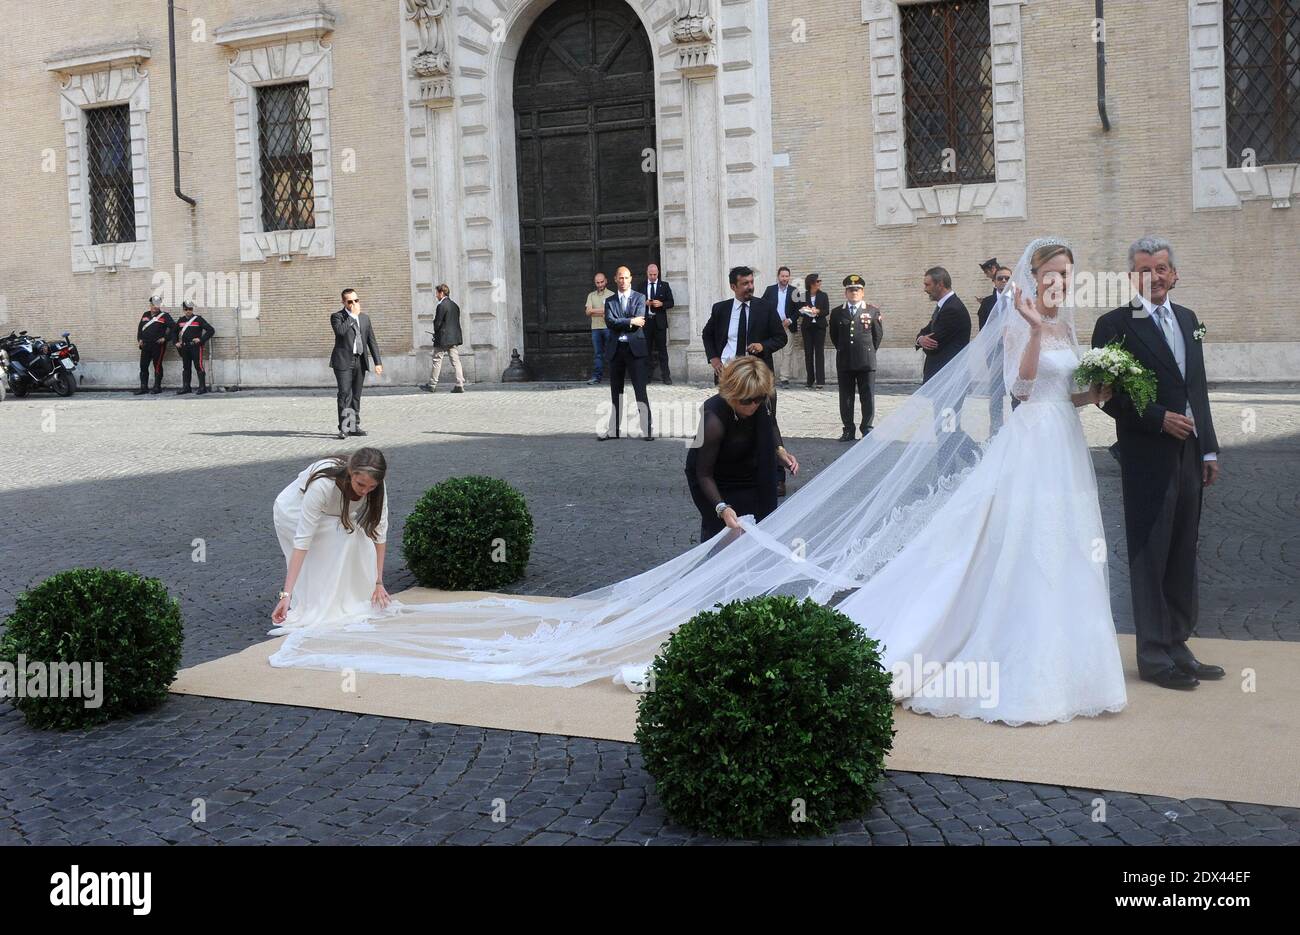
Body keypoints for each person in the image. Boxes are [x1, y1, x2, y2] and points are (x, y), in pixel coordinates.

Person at [268, 238, 1130, 728]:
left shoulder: (762, 411)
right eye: (1045, 279)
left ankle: (1052, 654)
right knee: (738, 557)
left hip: (1052, 446)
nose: (1053, 288)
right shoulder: (718, 417)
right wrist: (721, 510)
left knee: (1044, 546)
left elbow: (1066, 387)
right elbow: (1016, 383)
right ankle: (721, 627)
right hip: (750, 500)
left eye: (1060, 281)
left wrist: (1099, 380)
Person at [1092, 236, 1222, 691]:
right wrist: (1155, 418)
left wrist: (1208, 448)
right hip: (1146, 456)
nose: (1155, 277)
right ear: (1133, 276)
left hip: (1190, 455)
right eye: (1145, 270)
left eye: (1162, 268)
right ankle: (1151, 654)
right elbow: (1106, 398)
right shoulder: (1113, 325)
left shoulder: (1189, 320)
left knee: (1184, 550)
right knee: (1150, 552)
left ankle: (1178, 645)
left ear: (1174, 273)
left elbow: (1197, 389)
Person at [270, 448, 391, 634]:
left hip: (335, 514)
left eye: (371, 487)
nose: (366, 491)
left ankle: (345, 599)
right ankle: (322, 601)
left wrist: (378, 582)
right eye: (361, 484)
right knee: (342, 537)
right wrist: (286, 595)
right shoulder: (322, 486)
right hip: (293, 512)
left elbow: (379, 533)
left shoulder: (377, 486)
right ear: (351, 473)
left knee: (359, 541)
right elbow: (302, 541)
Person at [685, 356, 799, 541]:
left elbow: (770, 424)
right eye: (747, 401)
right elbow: (703, 474)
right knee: (725, 543)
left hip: (753, 476)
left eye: (759, 399)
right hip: (719, 484)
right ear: (732, 393)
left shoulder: (762, 399)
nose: (754, 405)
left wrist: (779, 450)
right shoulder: (713, 421)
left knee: (760, 539)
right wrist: (721, 507)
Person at [828, 274, 883, 441]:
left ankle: (867, 428)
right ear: (846, 293)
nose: (854, 293)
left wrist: (868, 351)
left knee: (867, 397)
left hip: (866, 361)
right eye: (851, 290)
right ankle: (848, 429)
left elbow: (877, 336)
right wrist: (844, 349)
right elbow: (834, 336)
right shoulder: (837, 312)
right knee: (846, 397)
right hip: (845, 360)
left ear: (863, 292)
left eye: (857, 290)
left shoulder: (872, 311)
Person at [600, 266, 652, 440]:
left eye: (626, 278)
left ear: (631, 279)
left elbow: (640, 322)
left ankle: (647, 430)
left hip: (635, 351)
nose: (623, 281)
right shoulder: (610, 301)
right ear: (615, 279)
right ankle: (613, 431)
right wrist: (630, 320)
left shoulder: (640, 297)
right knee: (616, 392)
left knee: (640, 391)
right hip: (616, 350)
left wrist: (622, 321)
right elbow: (610, 322)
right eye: (620, 278)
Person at [329, 288, 383, 440]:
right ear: (344, 302)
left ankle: (353, 426)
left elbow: (371, 341)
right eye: (350, 301)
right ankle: (344, 428)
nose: (354, 304)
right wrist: (352, 315)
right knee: (345, 394)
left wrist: (377, 362)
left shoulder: (365, 318)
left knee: (356, 396)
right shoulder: (337, 317)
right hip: (343, 361)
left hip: (360, 360)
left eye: (356, 300)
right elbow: (340, 332)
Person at [914, 267, 971, 383]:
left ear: (939, 284)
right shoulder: (945, 306)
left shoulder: (952, 309)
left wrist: (924, 341)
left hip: (949, 377)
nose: (925, 289)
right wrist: (920, 339)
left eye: (927, 285)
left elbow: (934, 344)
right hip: (944, 377)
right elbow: (926, 330)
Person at [977, 265, 1014, 432]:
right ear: (994, 282)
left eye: (1007, 278)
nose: (1004, 281)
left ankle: (1017, 430)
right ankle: (995, 431)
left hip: (1015, 355)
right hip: (994, 355)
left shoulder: (1020, 300)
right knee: (996, 397)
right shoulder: (987, 303)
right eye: (1000, 278)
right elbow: (983, 331)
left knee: (1017, 394)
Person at [761, 266, 800, 387]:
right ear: (778, 276)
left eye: (787, 276)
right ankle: (768, 376)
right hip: (772, 326)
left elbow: (799, 309)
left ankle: (784, 378)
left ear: (789, 277)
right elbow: (762, 305)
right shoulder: (770, 289)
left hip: (787, 325)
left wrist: (790, 320)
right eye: (782, 276)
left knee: (787, 352)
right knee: (767, 350)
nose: (785, 278)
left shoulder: (795, 291)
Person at [422, 283, 465, 393]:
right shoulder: (455, 305)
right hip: (453, 338)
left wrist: (436, 332)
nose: (436, 295)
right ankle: (460, 384)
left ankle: (432, 384)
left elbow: (438, 323)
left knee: (437, 360)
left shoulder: (441, 306)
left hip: (442, 338)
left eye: (437, 293)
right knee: (456, 361)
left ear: (442, 293)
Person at [637, 264, 675, 384]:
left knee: (662, 351)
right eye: (650, 274)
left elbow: (671, 302)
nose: (653, 277)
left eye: (655, 274)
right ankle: (647, 376)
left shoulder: (664, 285)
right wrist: (644, 303)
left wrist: (661, 304)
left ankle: (666, 376)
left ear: (658, 273)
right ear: (647, 273)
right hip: (646, 322)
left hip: (659, 323)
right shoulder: (641, 285)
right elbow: (635, 302)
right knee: (646, 351)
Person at [794, 272, 830, 388]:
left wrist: (817, 311)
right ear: (811, 283)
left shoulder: (823, 295)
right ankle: (810, 380)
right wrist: (805, 309)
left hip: (819, 327)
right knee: (808, 353)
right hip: (807, 327)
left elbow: (826, 311)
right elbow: (799, 310)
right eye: (817, 281)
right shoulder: (804, 295)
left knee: (819, 353)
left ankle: (820, 381)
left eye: (820, 281)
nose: (819, 283)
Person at [173, 301, 215, 395]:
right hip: (185, 347)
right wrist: (175, 342)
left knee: (198, 366)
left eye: (190, 309)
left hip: (196, 347)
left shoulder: (198, 319)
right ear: (183, 310)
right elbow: (174, 332)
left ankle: (202, 387)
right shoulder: (180, 320)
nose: (188, 311)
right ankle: (186, 387)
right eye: (186, 309)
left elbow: (211, 330)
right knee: (186, 367)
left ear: (192, 309)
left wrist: (201, 339)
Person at [135, 295, 174, 395]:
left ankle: (157, 387)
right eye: (153, 304)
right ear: (150, 305)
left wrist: (165, 338)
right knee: (143, 366)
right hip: (145, 345)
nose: (155, 307)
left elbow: (175, 328)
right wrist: (139, 339)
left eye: (157, 305)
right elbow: (140, 329)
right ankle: (144, 388)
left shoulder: (165, 316)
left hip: (158, 345)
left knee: (157, 365)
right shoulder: (145, 314)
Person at [584, 272, 613, 385]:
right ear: (595, 283)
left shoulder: (612, 294)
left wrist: (594, 310)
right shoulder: (591, 295)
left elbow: (610, 311)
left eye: (602, 282)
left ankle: (614, 377)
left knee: (611, 352)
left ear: (606, 281)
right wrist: (603, 310)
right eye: (597, 282)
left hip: (608, 328)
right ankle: (597, 377)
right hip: (595, 328)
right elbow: (587, 312)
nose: (600, 284)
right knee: (597, 354)